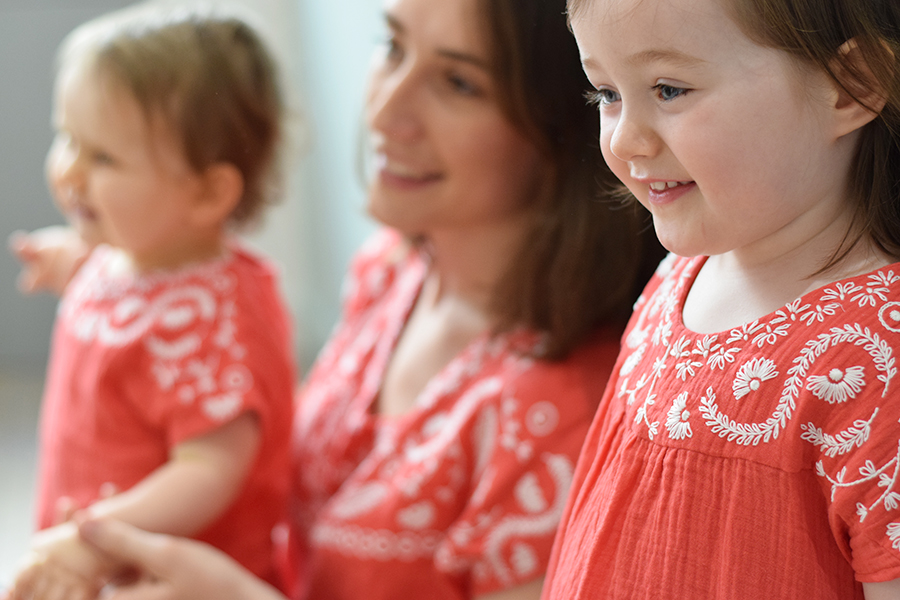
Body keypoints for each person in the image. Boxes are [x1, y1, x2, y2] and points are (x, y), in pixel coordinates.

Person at [40, 0, 664, 597]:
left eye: (458, 84)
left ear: (564, 128)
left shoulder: (559, 420)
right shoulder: (390, 270)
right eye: (392, 46)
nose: (387, 110)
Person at [540, 0, 900, 598]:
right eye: (606, 94)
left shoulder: (878, 355)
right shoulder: (679, 274)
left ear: (850, 86)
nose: (626, 139)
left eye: (669, 89)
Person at [5, 4, 295, 599]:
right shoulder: (134, 252)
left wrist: (97, 536)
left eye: (104, 158)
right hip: (96, 556)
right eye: (68, 139)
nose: (71, 173)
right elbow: (123, 290)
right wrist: (71, 262)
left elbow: (207, 471)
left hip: (165, 580)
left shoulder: (213, 327)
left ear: (208, 193)